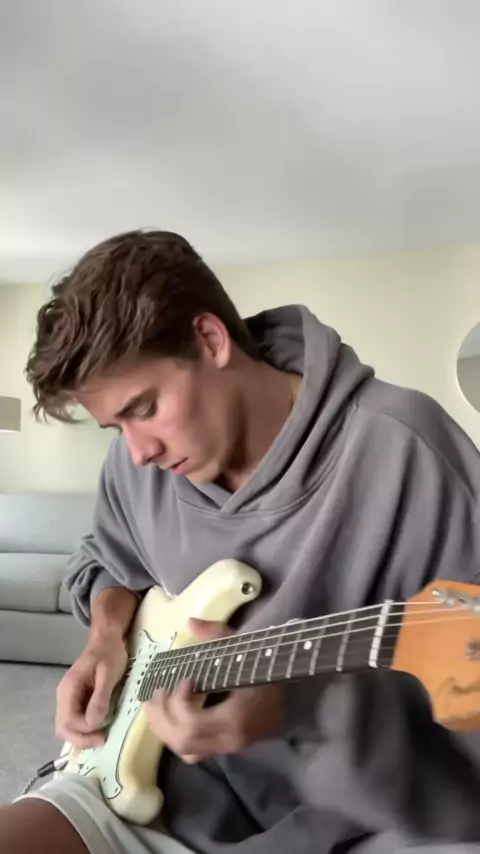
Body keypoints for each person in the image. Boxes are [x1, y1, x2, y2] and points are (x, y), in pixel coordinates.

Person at [2, 229, 480, 854]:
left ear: (210, 339)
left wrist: (301, 709)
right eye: (114, 427)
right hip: (146, 783)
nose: (138, 451)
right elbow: (105, 560)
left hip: (367, 817)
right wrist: (105, 638)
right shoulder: (135, 466)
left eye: (143, 408)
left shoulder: (404, 448)